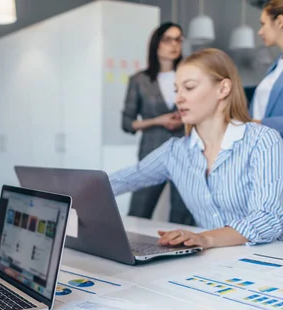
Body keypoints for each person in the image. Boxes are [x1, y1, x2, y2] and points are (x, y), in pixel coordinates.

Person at [110, 48, 283, 249]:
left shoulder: (262, 140)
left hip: (266, 265)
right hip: (211, 266)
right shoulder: (175, 151)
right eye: (177, 90)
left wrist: (206, 238)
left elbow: (268, 219)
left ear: (223, 88)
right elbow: (125, 178)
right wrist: (73, 191)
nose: (178, 99)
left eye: (189, 87)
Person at [121, 22, 195, 226]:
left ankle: (180, 255)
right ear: (156, 43)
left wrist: (185, 117)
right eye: (167, 39)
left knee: (183, 214)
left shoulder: (190, 78)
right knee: (139, 210)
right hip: (151, 152)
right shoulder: (139, 80)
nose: (174, 44)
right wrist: (158, 120)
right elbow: (127, 123)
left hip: (186, 152)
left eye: (178, 39)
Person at [252, 0, 283, 133]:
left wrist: (260, 124)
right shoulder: (276, 65)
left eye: (263, 24)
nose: (260, 32)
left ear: (280, 22)